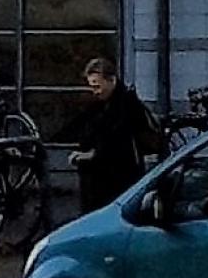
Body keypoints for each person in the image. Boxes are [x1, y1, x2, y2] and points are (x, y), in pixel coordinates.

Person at [65, 55, 159, 213]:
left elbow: (116, 140)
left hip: (116, 178)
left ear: (111, 80)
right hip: (105, 177)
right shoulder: (105, 103)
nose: (95, 91)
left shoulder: (125, 105)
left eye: (97, 86)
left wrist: (92, 154)